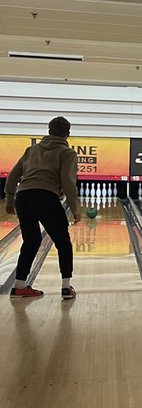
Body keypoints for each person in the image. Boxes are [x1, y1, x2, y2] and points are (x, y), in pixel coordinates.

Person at [4, 116, 80, 300]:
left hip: (23, 197)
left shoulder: (31, 150)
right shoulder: (67, 153)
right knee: (62, 242)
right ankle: (66, 287)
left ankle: (19, 287)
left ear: (49, 131)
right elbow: (68, 181)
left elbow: (13, 176)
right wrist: (75, 207)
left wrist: (10, 199)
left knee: (31, 241)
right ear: (68, 134)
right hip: (45, 196)